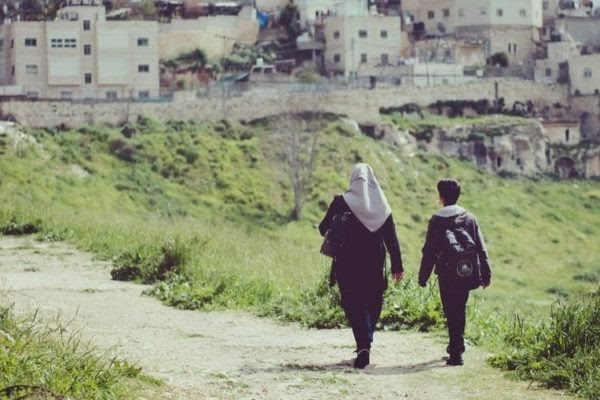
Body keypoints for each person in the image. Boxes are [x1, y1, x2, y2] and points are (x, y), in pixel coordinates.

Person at [319, 163, 404, 369]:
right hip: (374, 263)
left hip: (347, 263)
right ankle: (366, 341)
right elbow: (391, 239)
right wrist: (397, 266)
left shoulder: (341, 202)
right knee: (374, 302)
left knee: (353, 303)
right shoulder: (382, 207)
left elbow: (323, 228)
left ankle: (363, 344)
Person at [418, 179, 491, 366]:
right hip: (465, 271)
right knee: (460, 308)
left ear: (440, 196)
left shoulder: (436, 220)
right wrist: (486, 273)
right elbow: (481, 247)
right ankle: (456, 347)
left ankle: (456, 351)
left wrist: (423, 276)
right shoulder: (469, 218)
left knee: (451, 311)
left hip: (446, 273)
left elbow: (429, 251)